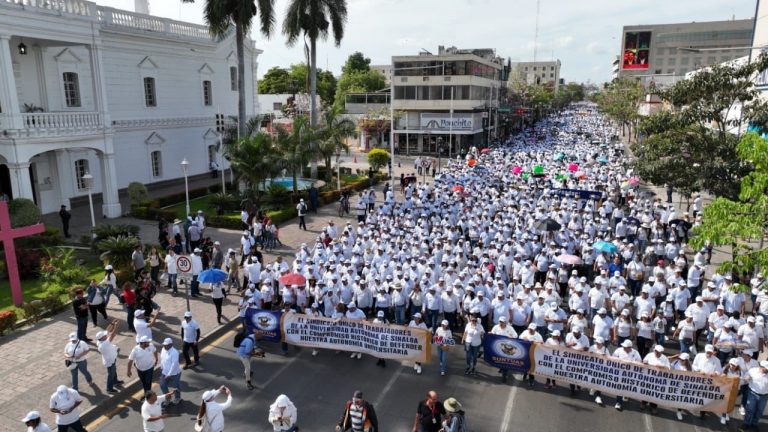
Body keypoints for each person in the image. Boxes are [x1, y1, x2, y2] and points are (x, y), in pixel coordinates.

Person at [96, 320, 123, 393]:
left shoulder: (99, 341)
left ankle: (115, 382)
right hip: (110, 361)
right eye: (105, 336)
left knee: (114, 372)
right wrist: (116, 326)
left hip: (111, 360)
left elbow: (107, 330)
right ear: (102, 338)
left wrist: (112, 323)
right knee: (111, 375)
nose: (106, 335)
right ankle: (109, 389)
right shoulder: (104, 344)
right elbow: (112, 335)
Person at [740, 360, 768, 431]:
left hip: (764, 396)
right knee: (750, 410)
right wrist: (747, 378)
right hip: (752, 393)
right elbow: (746, 376)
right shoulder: (752, 371)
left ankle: (754, 424)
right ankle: (746, 423)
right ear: (761, 367)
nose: (767, 370)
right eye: (766, 368)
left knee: (759, 411)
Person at [491, 317, 518, 383]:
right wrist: (490, 333)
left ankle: (505, 375)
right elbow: (492, 333)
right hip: (498, 347)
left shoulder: (510, 328)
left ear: (505, 322)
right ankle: (501, 368)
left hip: (506, 348)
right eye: (500, 321)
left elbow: (516, 335)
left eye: (502, 322)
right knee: (500, 360)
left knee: (505, 361)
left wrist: (512, 337)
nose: (501, 323)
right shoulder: (495, 327)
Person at [159, 338, 182, 405]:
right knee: (162, 385)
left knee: (175, 386)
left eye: (166, 345)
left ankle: (178, 398)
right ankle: (168, 398)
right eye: (164, 344)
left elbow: (174, 364)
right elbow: (162, 359)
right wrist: (161, 367)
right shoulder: (163, 349)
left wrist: (169, 374)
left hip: (175, 373)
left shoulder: (175, 352)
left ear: (171, 345)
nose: (164, 346)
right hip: (164, 372)